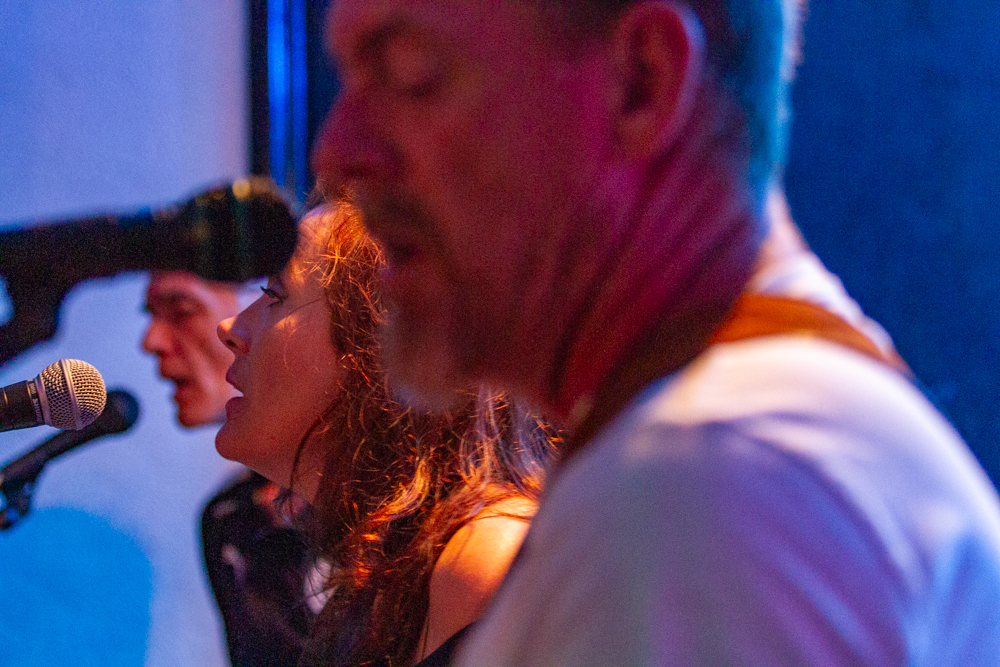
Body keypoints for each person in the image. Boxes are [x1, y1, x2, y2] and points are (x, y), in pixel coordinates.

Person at [312, 1, 1000, 665]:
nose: (336, 152)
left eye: (409, 71)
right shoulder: (743, 446)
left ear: (642, 82)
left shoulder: (713, 483)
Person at [216, 203, 554, 666]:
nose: (230, 328)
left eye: (275, 295)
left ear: (381, 342)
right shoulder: (389, 574)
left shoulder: (484, 562)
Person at [142, 272, 314, 666]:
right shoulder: (230, 519)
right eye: (151, 315)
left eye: (182, 311)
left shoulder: (406, 493)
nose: (150, 341)